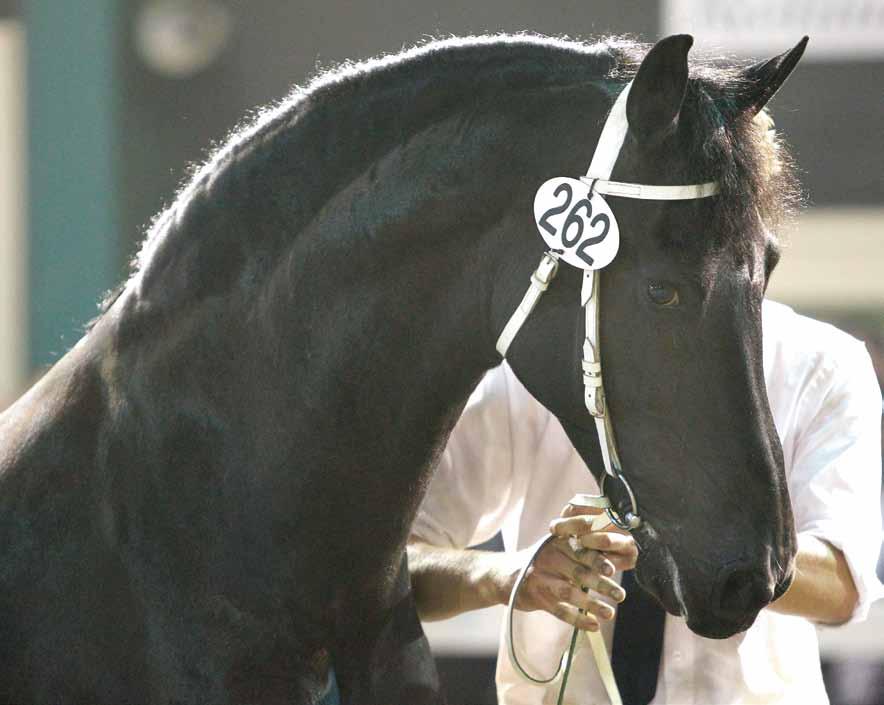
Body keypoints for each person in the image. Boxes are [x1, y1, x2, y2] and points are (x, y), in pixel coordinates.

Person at [408, 299, 883, 704]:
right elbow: (397, 567)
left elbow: (843, 585)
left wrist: (707, 546)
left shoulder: (818, 364)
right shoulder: (533, 366)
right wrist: (514, 576)